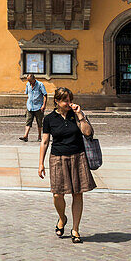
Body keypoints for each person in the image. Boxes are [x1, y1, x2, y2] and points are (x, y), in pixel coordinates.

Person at [38, 86, 96, 244]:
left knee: (78, 193)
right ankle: (62, 217)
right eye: (65, 100)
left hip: (78, 157)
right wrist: (41, 163)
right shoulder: (49, 119)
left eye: (70, 100)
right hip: (58, 158)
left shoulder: (76, 115)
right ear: (56, 101)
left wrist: (79, 115)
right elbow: (44, 141)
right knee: (57, 194)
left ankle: (75, 229)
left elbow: (88, 132)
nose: (68, 103)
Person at [20, 73, 48, 142]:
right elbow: (27, 93)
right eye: (28, 81)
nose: (29, 82)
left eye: (30, 81)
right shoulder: (27, 84)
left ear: (34, 79)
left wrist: (44, 105)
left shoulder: (40, 85)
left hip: (38, 107)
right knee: (28, 121)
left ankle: (39, 136)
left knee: (39, 123)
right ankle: (25, 136)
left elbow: (45, 95)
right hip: (30, 106)